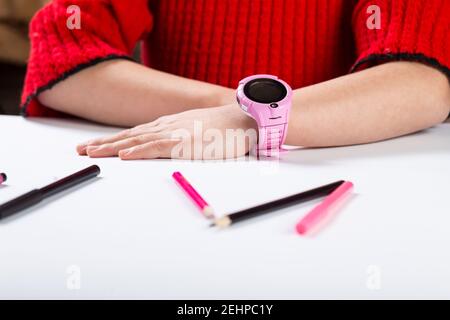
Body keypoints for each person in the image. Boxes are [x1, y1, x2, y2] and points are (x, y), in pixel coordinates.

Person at [21, 0, 450, 160]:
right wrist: (229, 109)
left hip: (321, 171)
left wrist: (249, 119)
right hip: (173, 170)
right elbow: (61, 55)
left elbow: (422, 80)